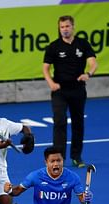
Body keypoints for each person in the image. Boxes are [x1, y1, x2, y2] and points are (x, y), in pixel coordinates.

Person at [43, 15, 98, 168]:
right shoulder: (54, 46)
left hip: (78, 89)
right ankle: (58, 158)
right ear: (59, 29)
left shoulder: (82, 44)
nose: (64, 29)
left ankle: (76, 157)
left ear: (73, 27)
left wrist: (88, 74)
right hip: (60, 90)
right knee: (59, 121)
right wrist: (51, 83)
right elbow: (45, 68)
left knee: (78, 123)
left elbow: (93, 62)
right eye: (62, 27)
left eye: (67, 26)